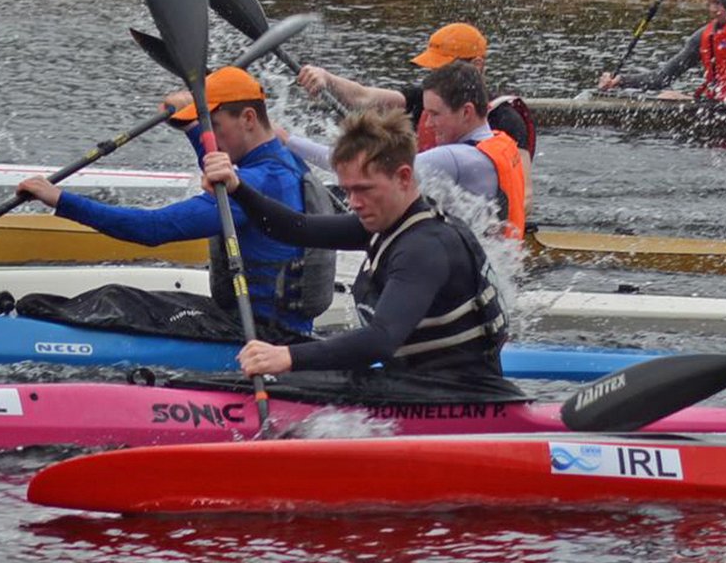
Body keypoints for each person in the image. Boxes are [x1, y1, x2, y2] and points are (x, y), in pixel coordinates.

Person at [199, 108, 512, 388]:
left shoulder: (425, 248)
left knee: (287, 378)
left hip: (458, 398)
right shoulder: (388, 222)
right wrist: (237, 188)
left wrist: (286, 356)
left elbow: (380, 340)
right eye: (348, 190)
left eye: (363, 189)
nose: (353, 203)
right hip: (414, 383)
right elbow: (297, 229)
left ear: (404, 177)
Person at [15, 67, 335, 339]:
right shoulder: (286, 162)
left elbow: (153, 229)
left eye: (215, 126)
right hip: (276, 327)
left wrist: (60, 200)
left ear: (248, 118)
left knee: (115, 300)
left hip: (257, 335)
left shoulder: (259, 182)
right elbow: (220, 170)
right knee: (119, 300)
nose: (213, 139)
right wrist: (194, 127)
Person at [295, 22, 536, 214]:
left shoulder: (505, 120)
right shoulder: (428, 99)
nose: (435, 76)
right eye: (433, 69)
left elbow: (523, 200)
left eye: (442, 68)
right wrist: (326, 78)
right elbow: (363, 97)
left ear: (477, 65)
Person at [282, 61, 527, 240]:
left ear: (467, 112)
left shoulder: (457, 158)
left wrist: (286, 139)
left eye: (435, 114)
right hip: (494, 273)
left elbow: (358, 166)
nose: (427, 124)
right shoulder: (499, 142)